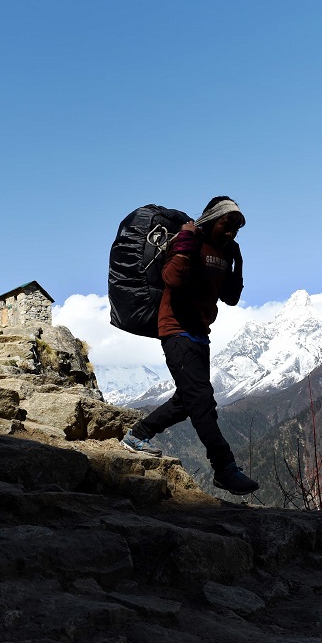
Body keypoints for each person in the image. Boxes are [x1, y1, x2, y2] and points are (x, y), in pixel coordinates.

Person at [121, 196, 259, 496]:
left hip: (199, 333)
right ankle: (224, 468)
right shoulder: (188, 241)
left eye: (236, 229)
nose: (231, 233)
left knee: (186, 400)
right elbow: (172, 278)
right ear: (212, 219)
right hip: (176, 330)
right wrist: (184, 241)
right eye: (227, 225)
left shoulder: (225, 252)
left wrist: (237, 261)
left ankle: (137, 435)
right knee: (201, 400)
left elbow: (231, 297)